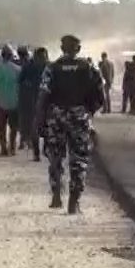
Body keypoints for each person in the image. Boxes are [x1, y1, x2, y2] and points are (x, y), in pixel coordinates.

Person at [40, 34, 104, 214]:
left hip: (56, 116)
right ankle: (74, 201)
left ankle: (56, 195)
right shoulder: (89, 67)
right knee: (79, 159)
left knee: (55, 157)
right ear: (78, 49)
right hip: (79, 116)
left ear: (62, 48)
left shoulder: (52, 68)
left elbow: (43, 95)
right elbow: (100, 96)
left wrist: (40, 119)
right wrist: (87, 111)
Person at [0, 47, 22, 155]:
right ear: (11, 56)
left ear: (2, 55)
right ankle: (12, 147)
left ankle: (3, 148)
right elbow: (21, 87)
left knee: (1, 127)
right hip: (15, 102)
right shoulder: (18, 69)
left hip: (0, 102)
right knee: (14, 127)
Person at [18, 46, 46, 161]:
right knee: (35, 128)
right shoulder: (29, 67)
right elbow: (20, 81)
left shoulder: (49, 67)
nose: (42, 59)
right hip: (33, 101)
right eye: (41, 56)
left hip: (44, 101)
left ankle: (42, 150)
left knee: (44, 128)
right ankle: (37, 152)